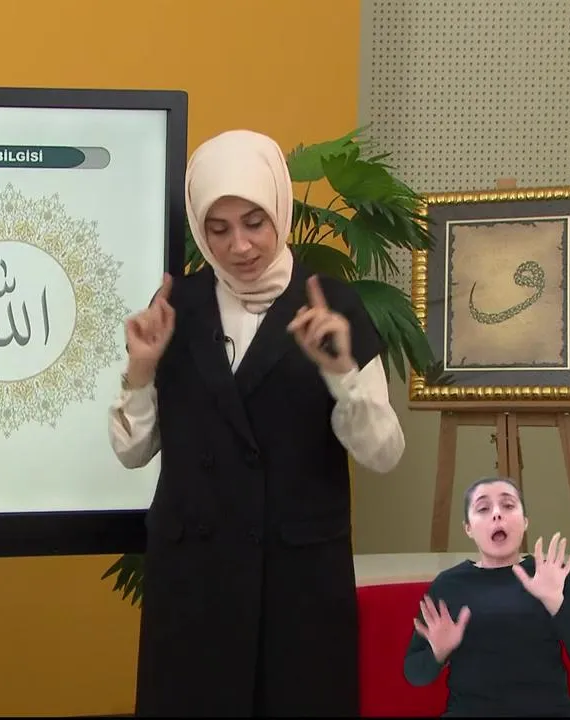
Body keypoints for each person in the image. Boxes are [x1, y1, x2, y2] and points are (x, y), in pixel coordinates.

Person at [108, 128, 406, 717]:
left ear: (279, 211)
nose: (239, 246)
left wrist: (341, 372)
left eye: (254, 223)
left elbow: (384, 453)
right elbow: (132, 451)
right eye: (218, 229)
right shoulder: (177, 307)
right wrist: (140, 370)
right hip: (195, 582)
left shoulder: (332, 305)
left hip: (296, 579)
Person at [404, 476, 570, 717]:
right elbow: (415, 674)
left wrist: (555, 603)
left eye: (508, 505)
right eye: (483, 508)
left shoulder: (552, 575)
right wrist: (439, 652)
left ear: (525, 521)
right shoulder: (448, 585)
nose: (497, 514)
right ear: (468, 528)